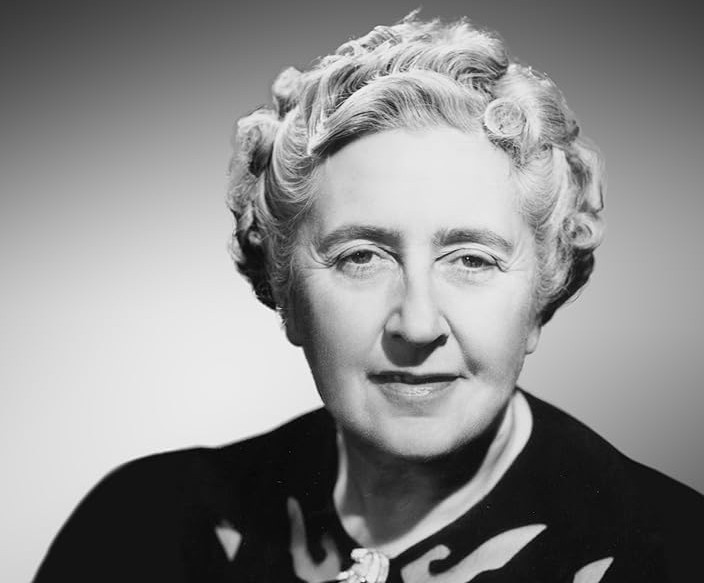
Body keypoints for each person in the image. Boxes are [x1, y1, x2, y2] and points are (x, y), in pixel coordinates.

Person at [33, 13, 703, 583]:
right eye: (362, 257)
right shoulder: (145, 528)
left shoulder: (674, 552)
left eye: (471, 259)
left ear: (543, 289)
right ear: (285, 292)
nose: (417, 322)